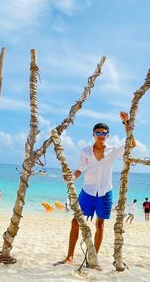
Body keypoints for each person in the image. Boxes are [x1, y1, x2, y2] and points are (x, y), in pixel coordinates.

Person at [55, 112, 135, 266]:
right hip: (88, 192)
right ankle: (69, 257)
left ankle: (93, 258)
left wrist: (127, 123)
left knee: (100, 225)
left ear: (108, 135)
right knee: (75, 221)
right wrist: (71, 177)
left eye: (104, 133)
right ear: (93, 134)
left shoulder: (113, 150)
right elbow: (79, 169)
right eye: (98, 132)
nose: (101, 135)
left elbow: (131, 143)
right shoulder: (85, 151)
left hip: (105, 193)